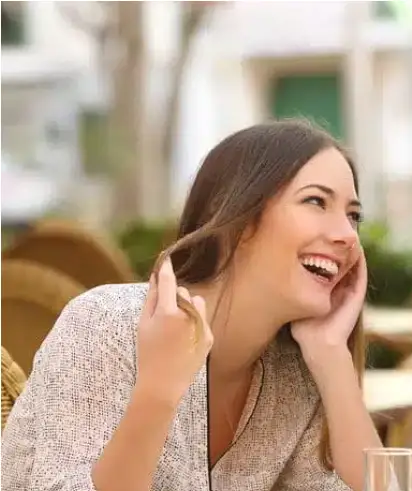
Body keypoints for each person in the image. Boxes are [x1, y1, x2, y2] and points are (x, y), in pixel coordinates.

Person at [1, 120, 383, 491]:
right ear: (239, 218)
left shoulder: (292, 373)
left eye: (353, 216)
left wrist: (332, 355)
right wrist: (158, 389)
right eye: (316, 201)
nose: (347, 236)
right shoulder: (107, 325)